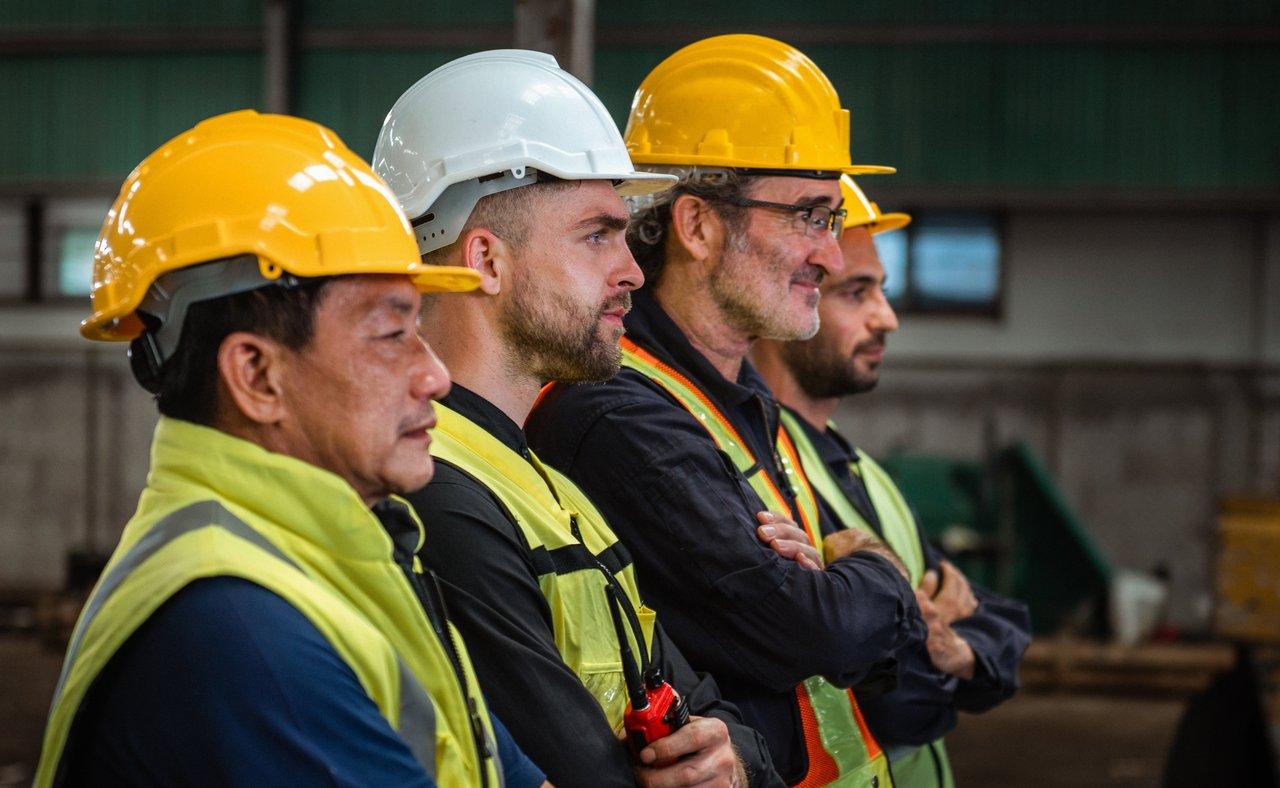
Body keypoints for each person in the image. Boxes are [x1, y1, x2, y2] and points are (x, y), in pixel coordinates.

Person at [35, 110, 543, 788]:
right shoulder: (236, 627)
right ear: (256, 376)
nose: (435, 376)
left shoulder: (358, 553)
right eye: (391, 336)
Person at [526, 35, 927, 786]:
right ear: (698, 225)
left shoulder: (741, 399)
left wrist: (846, 594)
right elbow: (811, 633)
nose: (832, 257)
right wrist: (879, 569)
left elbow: (860, 645)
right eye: (809, 216)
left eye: (831, 221)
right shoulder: (622, 416)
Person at [373, 50, 779, 788]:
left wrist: (736, 761)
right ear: (486, 262)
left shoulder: (549, 489)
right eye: (597, 235)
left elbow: (713, 717)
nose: (630, 270)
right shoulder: (436, 499)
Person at [751, 176, 1033, 787]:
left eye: (883, 291)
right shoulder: (764, 474)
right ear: (789, 299)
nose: (888, 318)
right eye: (857, 293)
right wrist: (939, 658)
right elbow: (899, 698)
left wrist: (957, 649)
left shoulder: (856, 466)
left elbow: (1003, 622)